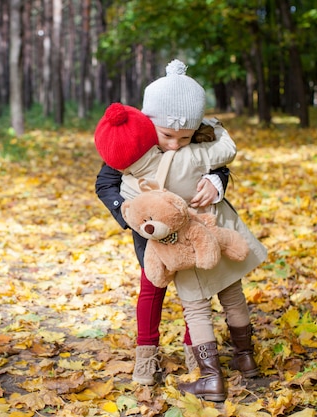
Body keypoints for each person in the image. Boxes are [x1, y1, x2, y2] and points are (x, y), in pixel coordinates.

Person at [94, 59, 268, 401]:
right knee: (151, 290)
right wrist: (136, 219)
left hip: (197, 229)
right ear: (149, 123)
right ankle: (146, 358)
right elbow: (105, 183)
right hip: (152, 235)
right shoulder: (133, 146)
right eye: (168, 136)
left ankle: (195, 355)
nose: (175, 144)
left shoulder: (195, 141)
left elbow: (217, 163)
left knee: (197, 291)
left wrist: (216, 181)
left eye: (184, 138)